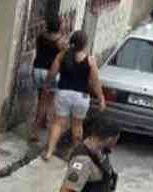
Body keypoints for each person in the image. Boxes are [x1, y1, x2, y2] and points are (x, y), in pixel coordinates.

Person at [42, 30, 106, 161]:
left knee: (58, 123)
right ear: (85, 44)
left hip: (63, 94)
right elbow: (95, 82)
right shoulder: (90, 60)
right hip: (81, 97)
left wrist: (47, 85)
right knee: (77, 126)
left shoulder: (62, 55)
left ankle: (49, 152)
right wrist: (101, 98)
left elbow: (52, 73)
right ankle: (76, 156)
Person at [29, 15, 66, 143]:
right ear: (59, 26)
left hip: (37, 70)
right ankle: (36, 131)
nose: (64, 25)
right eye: (62, 23)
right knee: (47, 103)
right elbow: (63, 59)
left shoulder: (40, 37)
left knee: (40, 98)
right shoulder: (61, 42)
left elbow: (39, 50)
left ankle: (43, 122)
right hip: (51, 74)